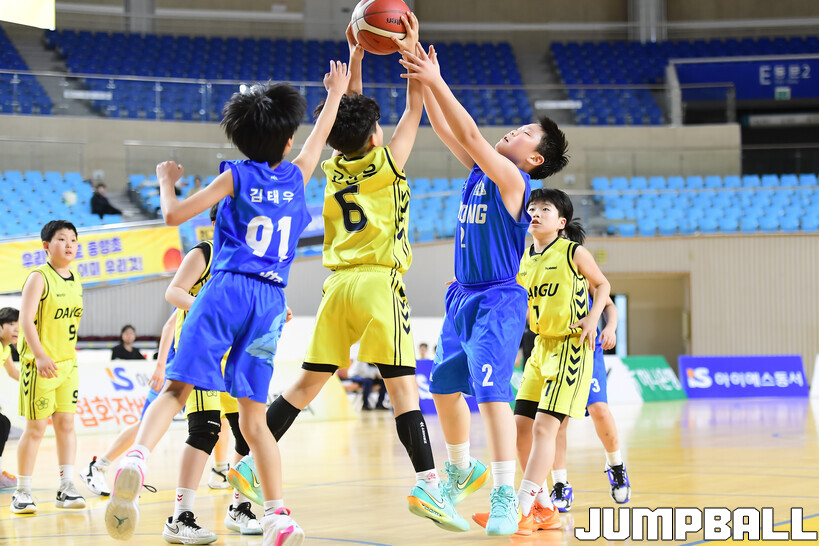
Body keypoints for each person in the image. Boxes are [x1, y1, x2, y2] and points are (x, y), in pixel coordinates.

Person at [230, 16, 469, 533]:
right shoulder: (388, 163)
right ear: (375, 135)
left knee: (305, 385)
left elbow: (349, 119)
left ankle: (247, 464)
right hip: (379, 283)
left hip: (336, 284)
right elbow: (414, 109)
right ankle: (429, 485)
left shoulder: (334, 166)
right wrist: (411, 53)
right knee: (403, 391)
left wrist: (357, 56)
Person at [104, 60, 350, 545]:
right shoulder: (297, 176)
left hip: (225, 290)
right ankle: (277, 516)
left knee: (176, 390)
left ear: (240, 139)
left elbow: (173, 214)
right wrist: (336, 92)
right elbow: (318, 138)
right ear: (286, 142)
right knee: (255, 419)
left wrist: (166, 179)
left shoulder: (235, 176)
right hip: (269, 301)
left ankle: (136, 457)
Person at [399, 46, 569, 535]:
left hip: (498, 300)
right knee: (442, 386)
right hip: (462, 296)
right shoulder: (481, 171)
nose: (514, 131)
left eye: (525, 133)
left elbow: (471, 134)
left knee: (492, 396)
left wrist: (436, 77)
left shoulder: (514, 180)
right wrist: (419, 77)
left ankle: (503, 495)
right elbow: (447, 129)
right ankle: (460, 466)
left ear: (534, 159)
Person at [474, 188, 611, 535]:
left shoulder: (573, 252)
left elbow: (602, 285)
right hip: (539, 349)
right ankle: (545, 508)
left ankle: (519, 508)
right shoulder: (524, 258)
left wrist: (594, 319)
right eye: (532, 208)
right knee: (520, 427)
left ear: (561, 222)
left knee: (544, 428)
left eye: (544, 209)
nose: (535, 213)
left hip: (570, 347)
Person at [161, 204, 264, 542]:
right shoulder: (204, 252)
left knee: (245, 431)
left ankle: (239, 507)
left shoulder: (247, 258)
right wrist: (209, 311)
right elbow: (174, 291)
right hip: (202, 350)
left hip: (234, 353)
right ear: (219, 220)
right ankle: (180, 517)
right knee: (205, 430)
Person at [12, 220, 86, 514]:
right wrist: (41, 356)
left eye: (73, 240)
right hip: (39, 365)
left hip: (68, 365)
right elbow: (25, 320)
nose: (69, 245)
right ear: (46, 245)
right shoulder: (38, 277)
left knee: (66, 424)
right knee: (36, 428)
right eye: (62, 239)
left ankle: (66, 487)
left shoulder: (76, 278)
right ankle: (22, 491)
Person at [549, 287, 631, 511]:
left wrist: (611, 328)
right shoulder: (540, 270)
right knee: (558, 420)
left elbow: (608, 304)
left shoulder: (583, 270)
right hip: (555, 350)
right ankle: (560, 483)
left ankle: (616, 465)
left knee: (599, 410)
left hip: (588, 348)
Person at [81, 312, 176, 497]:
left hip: (196, 369)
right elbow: (169, 326)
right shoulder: (190, 297)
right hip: (176, 371)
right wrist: (161, 366)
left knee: (209, 425)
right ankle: (102, 466)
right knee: (147, 424)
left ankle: (220, 469)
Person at [0, 307, 20, 489]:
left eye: (19, 325)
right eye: (12, 324)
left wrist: (37, 382)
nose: (17, 329)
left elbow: (13, 372)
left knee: (3, 424)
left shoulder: (5, 349)